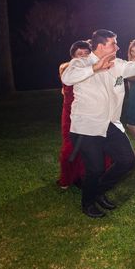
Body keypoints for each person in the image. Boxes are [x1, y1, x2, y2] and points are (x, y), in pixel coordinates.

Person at [61, 29, 135, 218]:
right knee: (95, 168)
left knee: (127, 161)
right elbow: (67, 78)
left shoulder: (117, 64)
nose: (117, 47)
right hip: (86, 126)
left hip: (110, 124)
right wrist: (95, 68)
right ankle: (88, 203)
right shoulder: (81, 62)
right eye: (113, 43)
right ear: (101, 46)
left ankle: (97, 191)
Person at [57, 40, 111, 189]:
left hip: (92, 113)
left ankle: (87, 175)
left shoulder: (97, 68)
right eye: (79, 54)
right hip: (70, 115)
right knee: (71, 147)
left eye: (86, 53)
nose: (82, 56)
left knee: (94, 145)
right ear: (73, 56)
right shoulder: (68, 69)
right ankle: (68, 178)